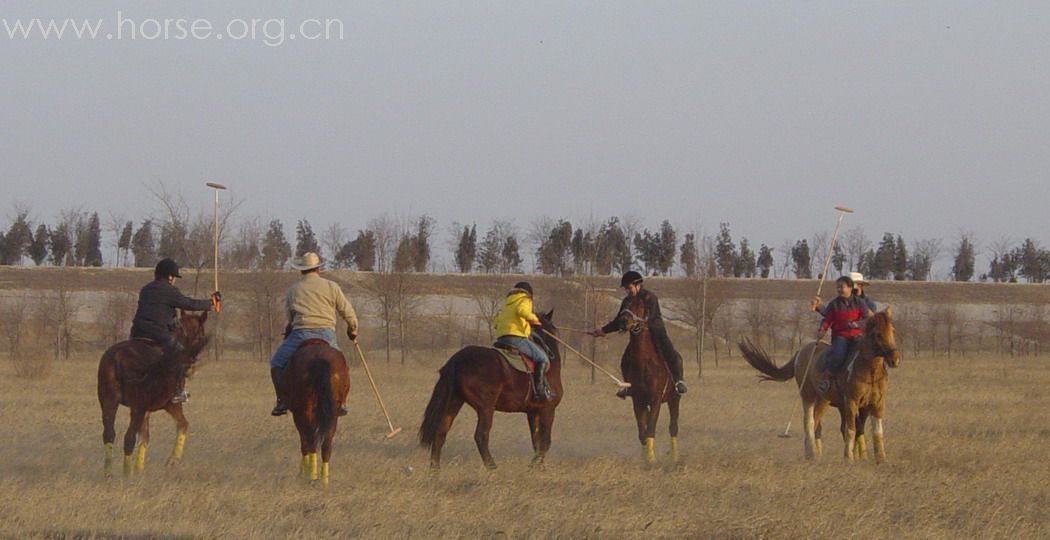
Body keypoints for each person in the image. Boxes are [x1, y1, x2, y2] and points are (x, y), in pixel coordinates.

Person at [269, 252, 359, 417]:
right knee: (342, 366)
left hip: (300, 334)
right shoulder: (332, 286)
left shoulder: (293, 289)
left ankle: (281, 400)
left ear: (302, 270)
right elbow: (347, 311)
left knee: (276, 363)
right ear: (318, 268)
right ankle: (342, 402)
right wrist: (352, 329)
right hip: (326, 334)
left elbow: (289, 317)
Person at [129, 258, 220, 404]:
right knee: (181, 354)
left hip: (136, 332)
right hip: (158, 333)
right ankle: (177, 391)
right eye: (174, 277)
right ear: (169, 277)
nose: (174, 280)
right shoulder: (169, 291)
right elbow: (189, 304)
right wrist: (211, 303)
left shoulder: (145, 289)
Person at [589, 271, 687, 398]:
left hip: (656, 332)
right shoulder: (627, 302)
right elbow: (618, 321)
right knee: (625, 360)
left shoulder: (650, 298)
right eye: (626, 288)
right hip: (638, 337)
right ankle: (629, 387)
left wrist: (637, 322)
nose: (627, 290)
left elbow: (650, 318)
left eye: (628, 287)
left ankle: (678, 382)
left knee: (674, 356)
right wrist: (602, 331)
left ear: (638, 285)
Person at [493, 281, 555, 402]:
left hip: (502, 337)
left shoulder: (507, 303)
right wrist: (535, 320)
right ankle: (540, 391)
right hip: (516, 337)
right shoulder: (525, 299)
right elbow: (522, 311)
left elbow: (496, 322)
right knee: (542, 358)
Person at [815, 275, 870, 394]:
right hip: (840, 336)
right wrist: (822, 330)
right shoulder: (834, 304)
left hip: (857, 336)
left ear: (850, 287)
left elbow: (867, 319)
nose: (839, 290)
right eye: (838, 287)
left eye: (842, 287)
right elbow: (827, 320)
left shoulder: (860, 303)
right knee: (838, 355)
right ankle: (827, 379)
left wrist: (856, 324)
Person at [810, 271, 876, 315]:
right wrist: (819, 306)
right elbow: (829, 315)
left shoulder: (869, 304)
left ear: (860, 285)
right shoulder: (837, 302)